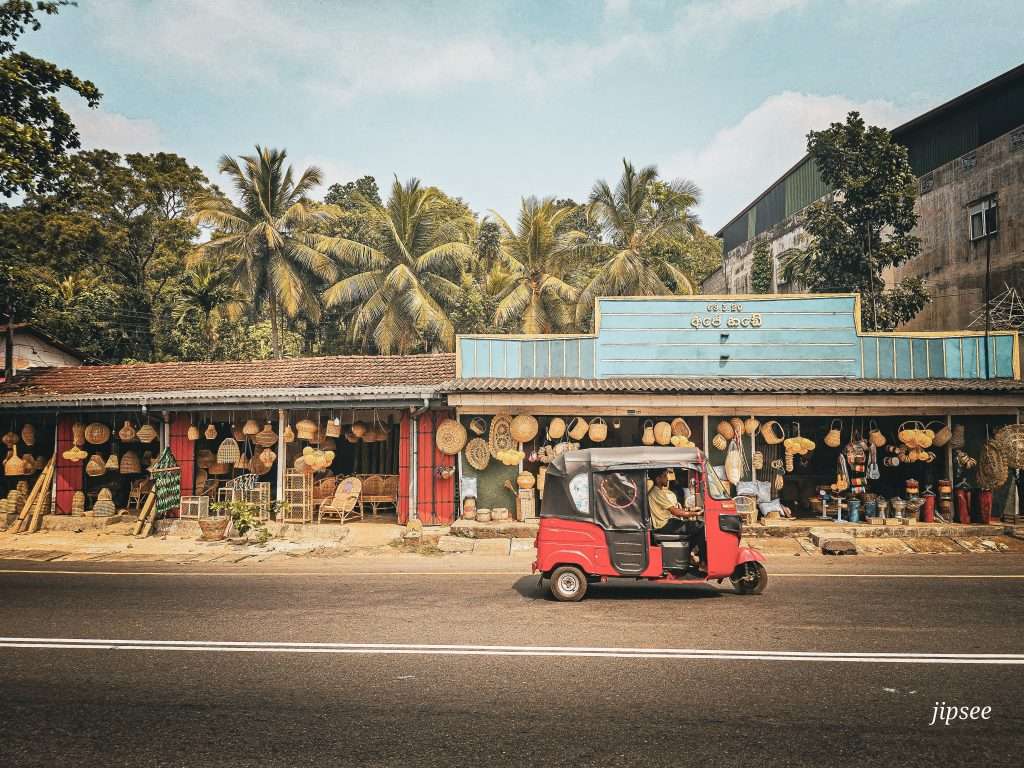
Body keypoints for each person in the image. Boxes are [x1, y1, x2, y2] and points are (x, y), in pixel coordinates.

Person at [647, 468, 704, 564]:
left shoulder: (660, 492)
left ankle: (688, 556)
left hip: (669, 522)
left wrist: (690, 510)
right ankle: (703, 562)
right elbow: (675, 512)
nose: (667, 478)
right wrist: (696, 514)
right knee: (701, 526)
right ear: (658, 479)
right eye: (665, 476)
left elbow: (675, 509)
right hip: (664, 526)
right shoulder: (656, 492)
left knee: (695, 528)